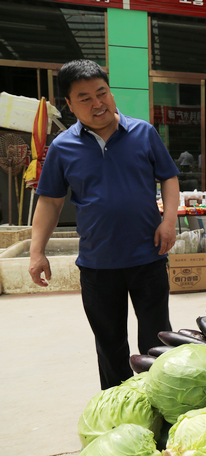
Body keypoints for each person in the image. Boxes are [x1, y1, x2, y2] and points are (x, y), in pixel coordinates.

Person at [28, 59, 180, 390]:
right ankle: (120, 407)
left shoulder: (143, 133)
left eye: (102, 93)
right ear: (68, 104)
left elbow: (168, 177)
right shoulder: (62, 147)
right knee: (110, 345)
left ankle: (163, 401)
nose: (98, 104)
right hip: (98, 264)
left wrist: (169, 220)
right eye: (85, 98)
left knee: (157, 341)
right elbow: (50, 202)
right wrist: (36, 251)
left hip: (148, 257)